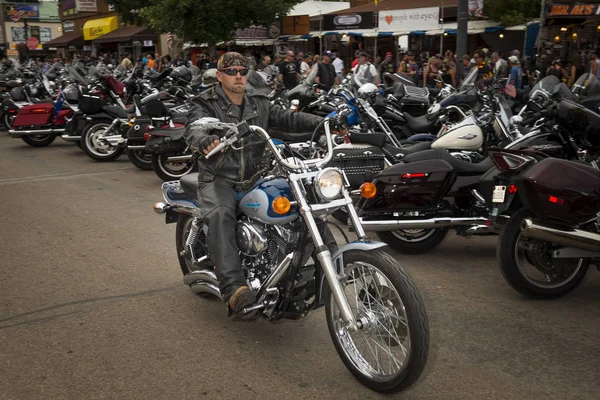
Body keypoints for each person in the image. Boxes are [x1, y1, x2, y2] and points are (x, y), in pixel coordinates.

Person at [183, 52, 336, 314]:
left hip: (256, 176)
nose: (238, 75)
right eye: (231, 71)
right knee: (220, 215)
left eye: (242, 70)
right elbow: (194, 126)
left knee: (303, 203)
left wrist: (324, 123)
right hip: (220, 178)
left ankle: (334, 266)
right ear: (220, 76)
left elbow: (287, 117)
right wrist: (205, 140)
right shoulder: (205, 102)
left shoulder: (258, 102)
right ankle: (234, 289)